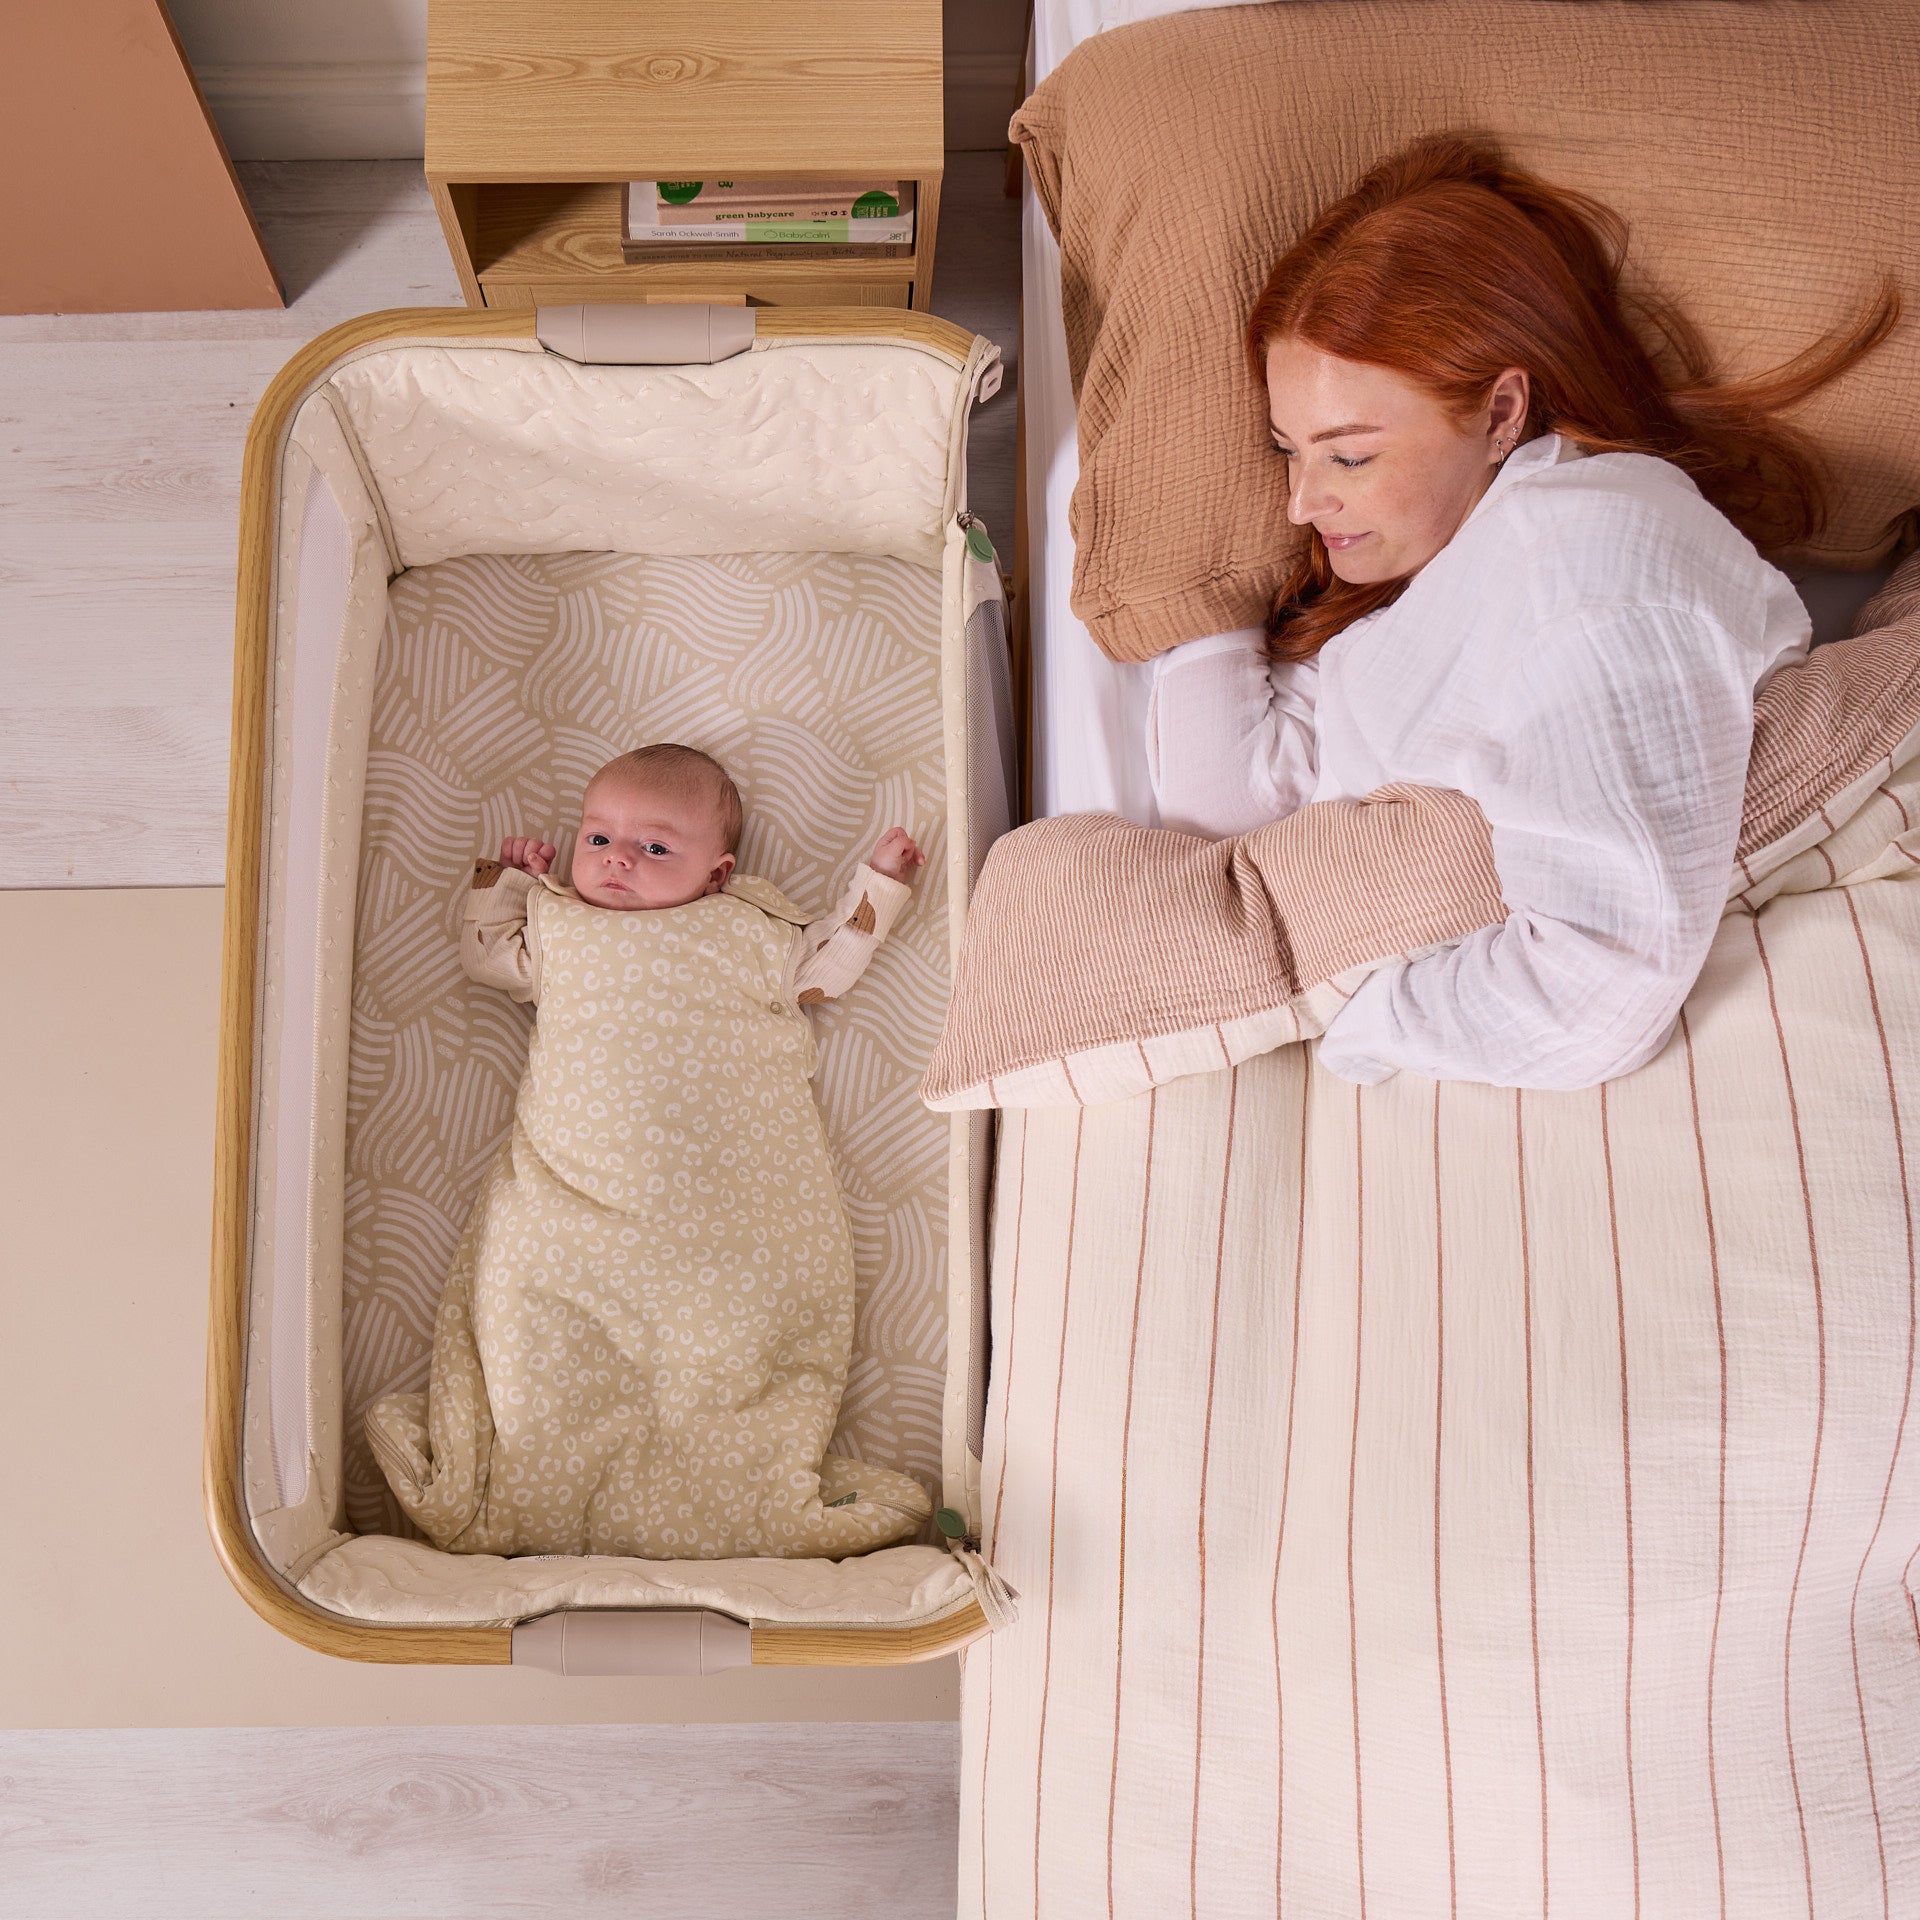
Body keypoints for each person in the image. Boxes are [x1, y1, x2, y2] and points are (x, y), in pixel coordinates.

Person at [1146, 135, 1897, 1089]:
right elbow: (1232, 802)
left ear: (1503, 413)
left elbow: (1599, 982)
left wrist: (1359, 1026)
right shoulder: (1469, 559)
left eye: (1350, 455)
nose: (1300, 503)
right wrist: (1191, 573)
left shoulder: (1588, 569)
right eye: (1284, 449)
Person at [364, 743, 933, 1559]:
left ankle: (742, 1488)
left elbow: (830, 965)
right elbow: (484, 958)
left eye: (655, 847)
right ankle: (535, 1481)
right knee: (538, 1325)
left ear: (716, 873)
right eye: (598, 839)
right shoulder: (560, 925)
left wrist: (880, 882)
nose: (618, 859)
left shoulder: (746, 932)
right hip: (573, 1203)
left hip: (726, 1212)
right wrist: (513, 880)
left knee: (732, 1338)